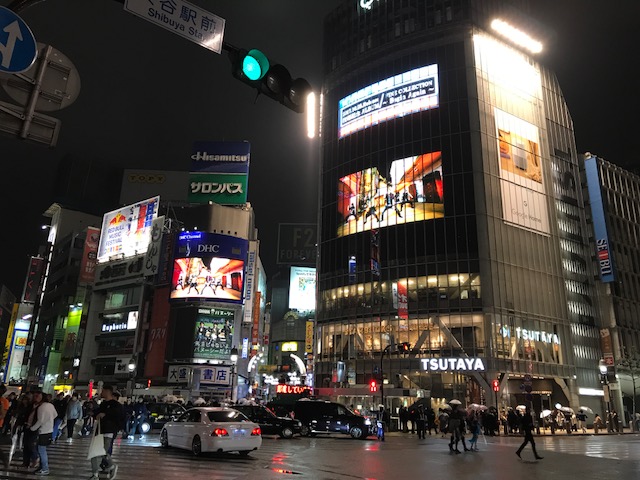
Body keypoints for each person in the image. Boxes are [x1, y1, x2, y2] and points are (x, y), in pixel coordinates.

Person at [89, 385, 124, 480]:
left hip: (108, 431)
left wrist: (105, 414)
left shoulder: (116, 405)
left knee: (103, 451)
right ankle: (95, 473)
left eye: (103, 391)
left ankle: (111, 465)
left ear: (108, 392)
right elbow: (97, 413)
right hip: (100, 431)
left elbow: (118, 418)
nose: (101, 393)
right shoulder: (103, 404)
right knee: (94, 452)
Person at [29, 389, 57, 476]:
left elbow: (40, 421)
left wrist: (32, 428)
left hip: (42, 431)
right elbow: (55, 414)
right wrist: (49, 420)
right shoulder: (50, 405)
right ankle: (42, 467)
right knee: (41, 450)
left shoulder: (41, 407)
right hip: (49, 430)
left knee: (41, 451)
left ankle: (45, 468)